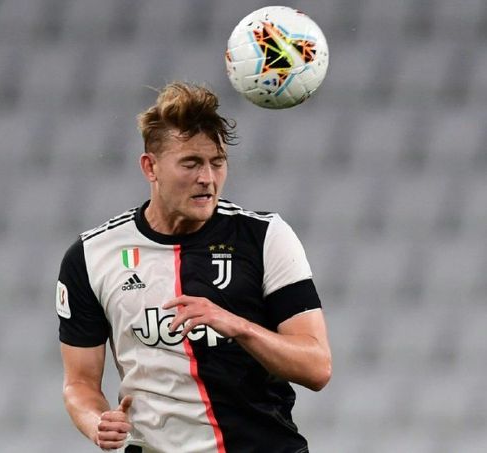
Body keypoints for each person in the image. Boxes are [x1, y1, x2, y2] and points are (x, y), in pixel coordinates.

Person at [56, 81, 332, 453]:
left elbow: (316, 367)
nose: (208, 178)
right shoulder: (92, 256)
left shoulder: (265, 237)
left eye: (217, 163)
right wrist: (96, 421)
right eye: (191, 163)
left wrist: (237, 326)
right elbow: (79, 383)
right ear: (150, 167)